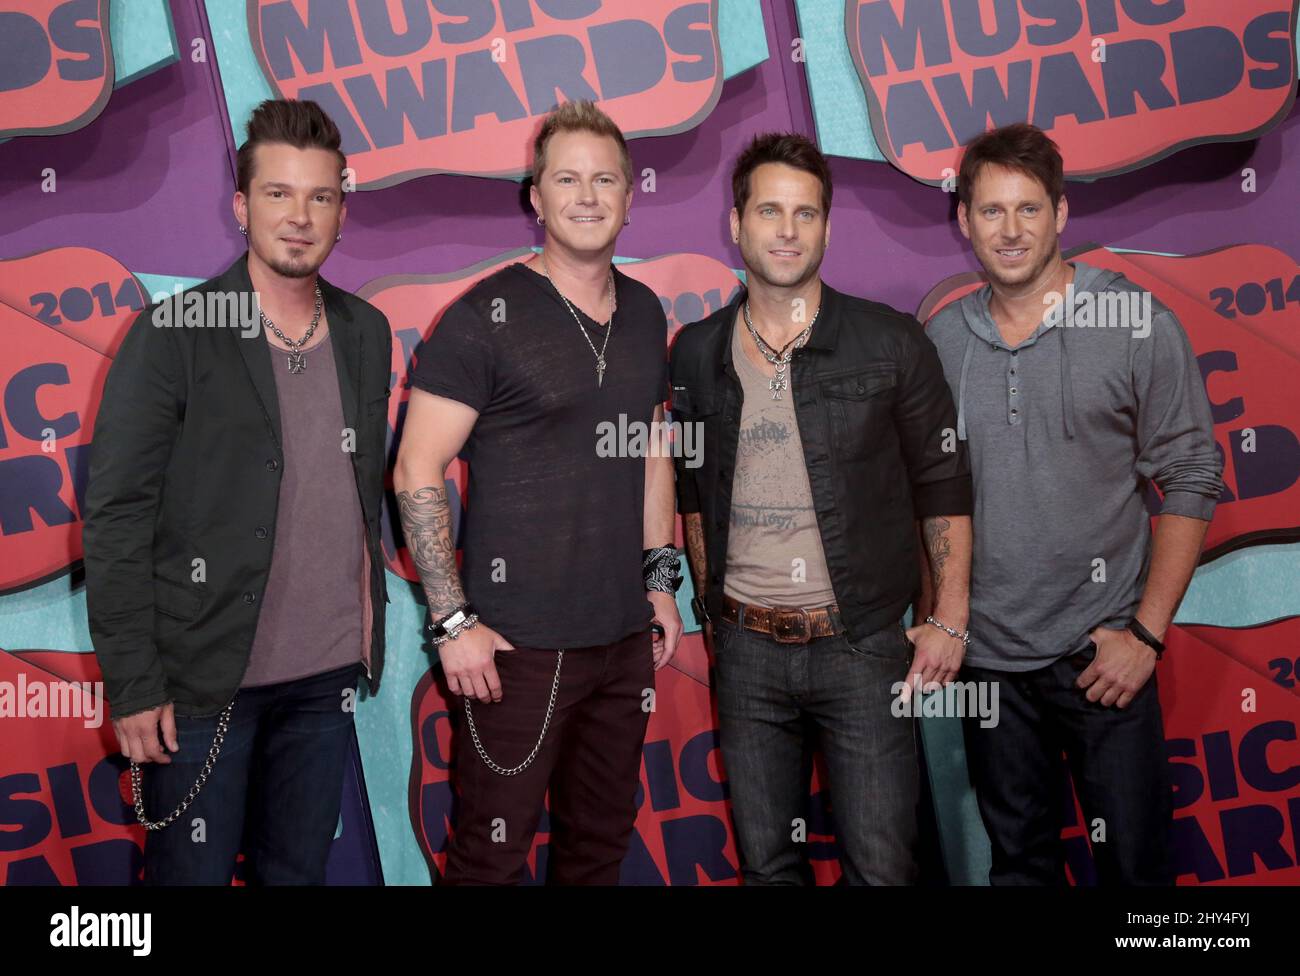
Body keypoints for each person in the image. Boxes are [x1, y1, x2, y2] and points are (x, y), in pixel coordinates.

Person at [84, 99, 391, 884]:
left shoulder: (365, 331)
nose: (299, 216)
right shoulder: (175, 332)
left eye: (320, 196)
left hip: (323, 682)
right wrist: (134, 684)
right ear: (240, 207)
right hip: (200, 684)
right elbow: (118, 517)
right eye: (278, 194)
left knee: (297, 875)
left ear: (342, 211)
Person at [670, 132, 973, 884]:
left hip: (863, 646)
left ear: (828, 229)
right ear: (736, 224)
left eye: (806, 214)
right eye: (769, 210)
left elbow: (942, 482)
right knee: (770, 866)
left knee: (881, 866)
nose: (786, 229)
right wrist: (715, 624)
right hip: (745, 651)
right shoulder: (696, 352)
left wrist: (948, 617)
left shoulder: (890, 342)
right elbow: (693, 495)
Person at [394, 100, 683, 885]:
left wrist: (661, 584)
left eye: (605, 180)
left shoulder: (646, 312)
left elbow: (652, 449)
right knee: (489, 862)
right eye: (567, 179)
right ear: (536, 196)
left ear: (630, 195)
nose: (587, 196)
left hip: (623, 644)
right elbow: (416, 469)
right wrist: (452, 622)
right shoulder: (482, 318)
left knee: (596, 855)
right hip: (515, 652)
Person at [925, 123, 1223, 885]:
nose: (1011, 229)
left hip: (1104, 657)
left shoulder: (1133, 323)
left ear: (1061, 213)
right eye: (991, 211)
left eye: (1029, 209)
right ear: (964, 220)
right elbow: (925, 495)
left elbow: (1191, 473)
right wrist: (944, 618)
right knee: (1019, 867)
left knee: (1135, 870)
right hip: (988, 664)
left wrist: (1145, 637)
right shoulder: (939, 341)